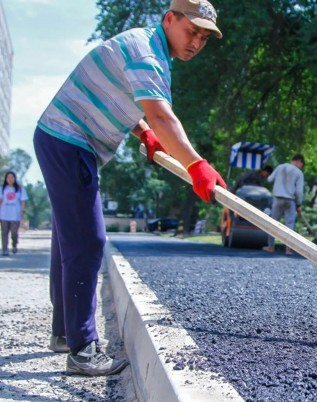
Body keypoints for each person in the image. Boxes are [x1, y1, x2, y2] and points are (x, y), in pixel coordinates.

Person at [34, 0, 226, 376]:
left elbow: (130, 102)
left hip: (61, 139)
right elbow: (159, 112)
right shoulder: (147, 55)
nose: (197, 43)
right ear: (170, 19)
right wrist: (195, 164)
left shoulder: (146, 47)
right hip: (69, 141)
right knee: (88, 242)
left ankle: (64, 332)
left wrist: (145, 133)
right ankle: (82, 348)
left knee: (68, 239)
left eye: (204, 38)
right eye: (192, 31)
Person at [262, 154, 305, 256]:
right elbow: (299, 191)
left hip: (277, 198)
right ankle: (288, 249)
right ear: (299, 161)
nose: (300, 166)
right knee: (289, 224)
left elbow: (269, 179)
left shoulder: (280, 167)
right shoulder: (298, 173)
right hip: (290, 201)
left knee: (273, 222)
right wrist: (298, 204)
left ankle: (271, 246)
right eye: (301, 164)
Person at [0, 171, 28, 256]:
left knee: (14, 233)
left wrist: (22, 212)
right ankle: (5, 249)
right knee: (4, 233)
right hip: (4, 215)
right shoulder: (2, 189)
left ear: (15, 178)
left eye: (12, 177)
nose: (10, 179)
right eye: (8, 177)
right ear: (6, 179)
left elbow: (23, 201)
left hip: (15, 215)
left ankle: (14, 246)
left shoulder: (20, 189)